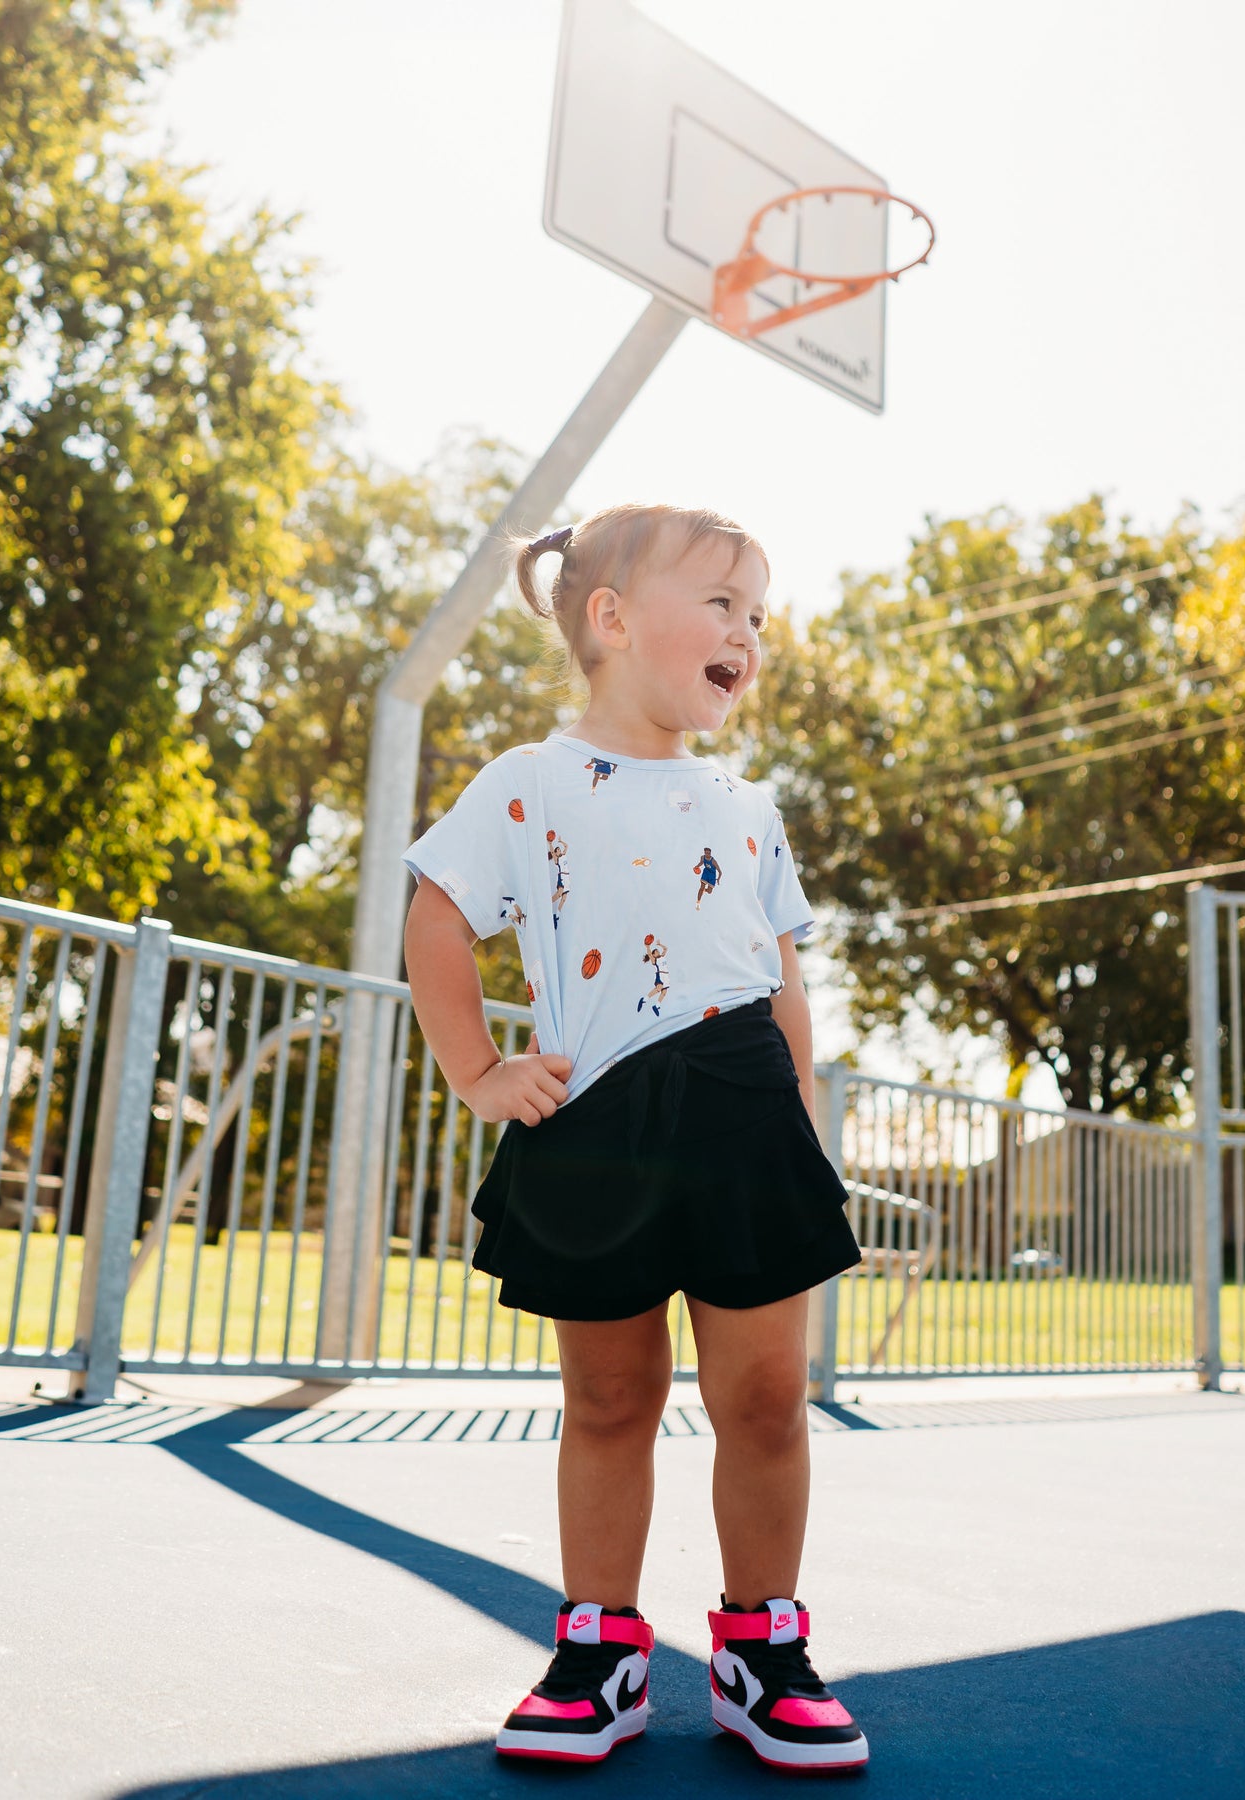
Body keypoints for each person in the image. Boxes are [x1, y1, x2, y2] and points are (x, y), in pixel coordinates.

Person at [402, 503, 867, 1773]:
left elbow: (781, 983)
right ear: (610, 619)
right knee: (610, 1395)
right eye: (721, 604)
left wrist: (801, 1125)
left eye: (758, 616)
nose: (747, 635)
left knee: (765, 1397)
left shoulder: (751, 806)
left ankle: (759, 1650)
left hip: (742, 1112)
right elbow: (438, 916)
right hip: (600, 1118)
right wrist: (479, 1070)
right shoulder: (528, 782)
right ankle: (600, 1649)